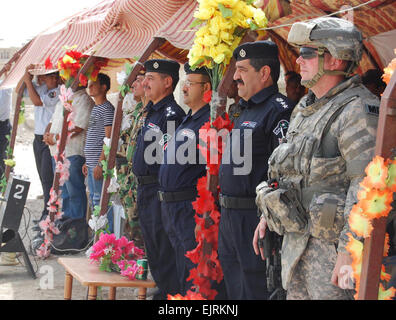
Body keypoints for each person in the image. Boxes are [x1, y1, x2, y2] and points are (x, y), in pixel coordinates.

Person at [254, 17, 380, 300]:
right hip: (297, 245)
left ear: (335, 59)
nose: (299, 61)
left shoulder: (357, 110)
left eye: (308, 53)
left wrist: (349, 252)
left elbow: (366, 188)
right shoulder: (306, 108)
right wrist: (268, 214)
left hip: (332, 254)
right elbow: (290, 169)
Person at [218, 41, 294, 300]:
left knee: (254, 289)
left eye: (242, 70)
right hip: (230, 217)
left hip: (254, 218)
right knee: (235, 288)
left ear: (264, 73)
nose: (235, 77)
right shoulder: (247, 108)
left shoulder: (279, 110)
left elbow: (284, 173)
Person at [158, 63, 226, 297]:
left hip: (191, 210)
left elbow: (214, 171)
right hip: (171, 208)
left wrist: (205, 216)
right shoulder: (189, 119)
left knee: (196, 272)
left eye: (190, 83)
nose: (184, 87)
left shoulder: (209, 121)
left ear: (206, 87)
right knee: (180, 269)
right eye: (184, 82)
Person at [132, 59, 186, 299]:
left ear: (167, 82)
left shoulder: (172, 114)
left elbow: (171, 160)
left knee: (163, 247)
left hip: (158, 190)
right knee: (153, 246)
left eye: (151, 78)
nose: (145, 82)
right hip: (145, 191)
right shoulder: (152, 111)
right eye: (145, 77)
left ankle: (169, 294)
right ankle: (163, 290)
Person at [44, 83, 94, 221]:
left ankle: (76, 230)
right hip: (58, 153)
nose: (66, 80)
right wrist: (47, 133)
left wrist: (54, 137)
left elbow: (78, 128)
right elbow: (52, 120)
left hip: (72, 153)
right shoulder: (65, 97)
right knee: (64, 193)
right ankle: (67, 227)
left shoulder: (83, 99)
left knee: (74, 193)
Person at [21, 65, 60, 224]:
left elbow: (36, 102)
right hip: (38, 137)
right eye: (50, 76)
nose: (53, 79)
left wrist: (28, 82)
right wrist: (26, 77)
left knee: (47, 177)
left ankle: (49, 212)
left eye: (55, 76)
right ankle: (47, 210)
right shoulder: (41, 87)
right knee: (42, 176)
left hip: (48, 139)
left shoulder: (55, 92)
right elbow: (19, 91)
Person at [116, 69, 148, 249]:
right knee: (132, 228)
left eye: (139, 80)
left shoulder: (153, 113)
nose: (134, 85)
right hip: (129, 181)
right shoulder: (136, 111)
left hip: (143, 183)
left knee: (143, 231)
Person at [82, 73, 115, 231]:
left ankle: (105, 239)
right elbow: (93, 135)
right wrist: (86, 162)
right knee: (94, 202)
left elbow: (108, 138)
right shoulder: (96, 108)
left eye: (94, 84)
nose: (90, 86)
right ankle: (99, 240)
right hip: (91, 163)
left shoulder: (107, 109)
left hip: (98, 164)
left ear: (104, 87)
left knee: (100, 202)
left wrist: (101, 163)